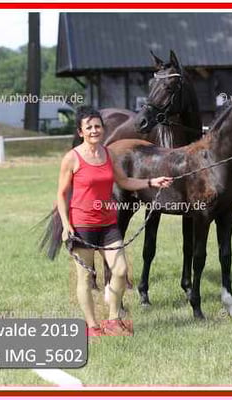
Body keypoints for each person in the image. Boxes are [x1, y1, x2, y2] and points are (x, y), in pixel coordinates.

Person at [56, 106, 173, 336]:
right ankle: (92, 326)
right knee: (85, 277)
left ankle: (112, 320)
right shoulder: (72, 158)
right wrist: (66, 226)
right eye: (89, 127)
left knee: (120, 270)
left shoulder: (108, 154)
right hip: (82, 225)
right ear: (80, 132)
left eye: (97, 126)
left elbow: (125, 181)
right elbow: (61, 194)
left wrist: (151, 182)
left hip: (108, 223)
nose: (94, 130)